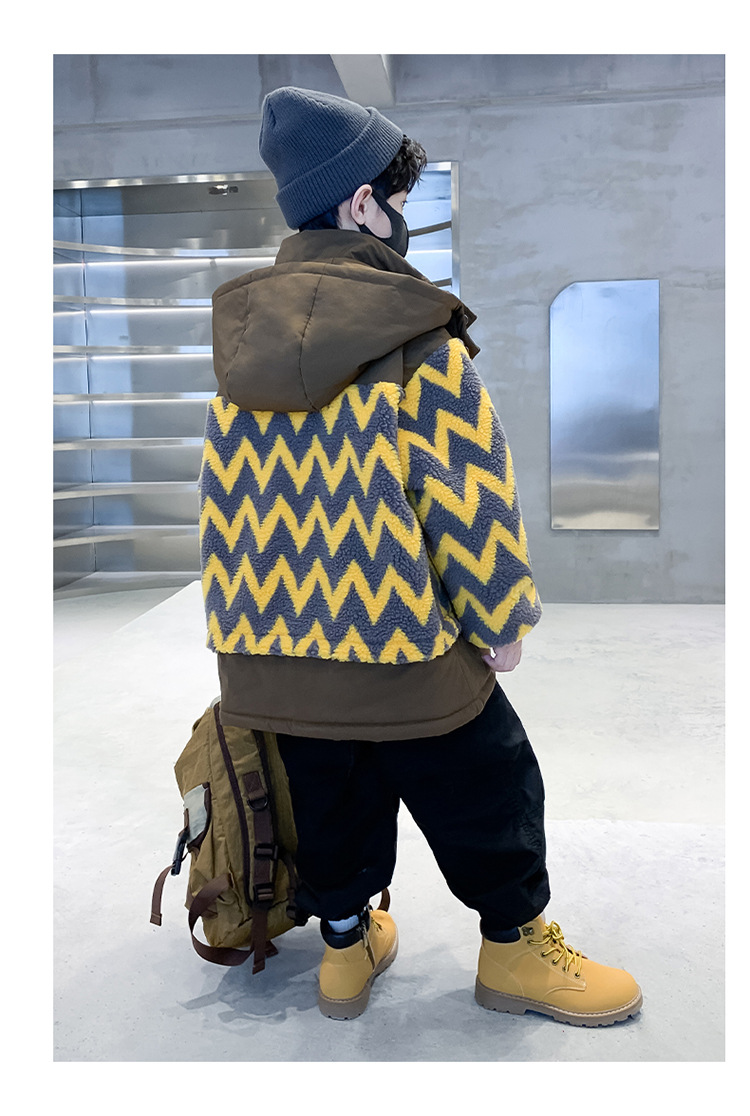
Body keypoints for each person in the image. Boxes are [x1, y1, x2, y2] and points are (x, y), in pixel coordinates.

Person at [198, 85, 642, 1026]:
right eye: (396, 198)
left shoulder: (239, 349)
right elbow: (467, 501)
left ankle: (345, 953)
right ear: (361, 202)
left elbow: (228, 509)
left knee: (330, 795)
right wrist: (501, 620)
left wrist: (251, 647)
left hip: (274, 655)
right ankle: (515, 952)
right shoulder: (413, 337)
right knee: (492, 785)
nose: (401, 217)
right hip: (399, 647)